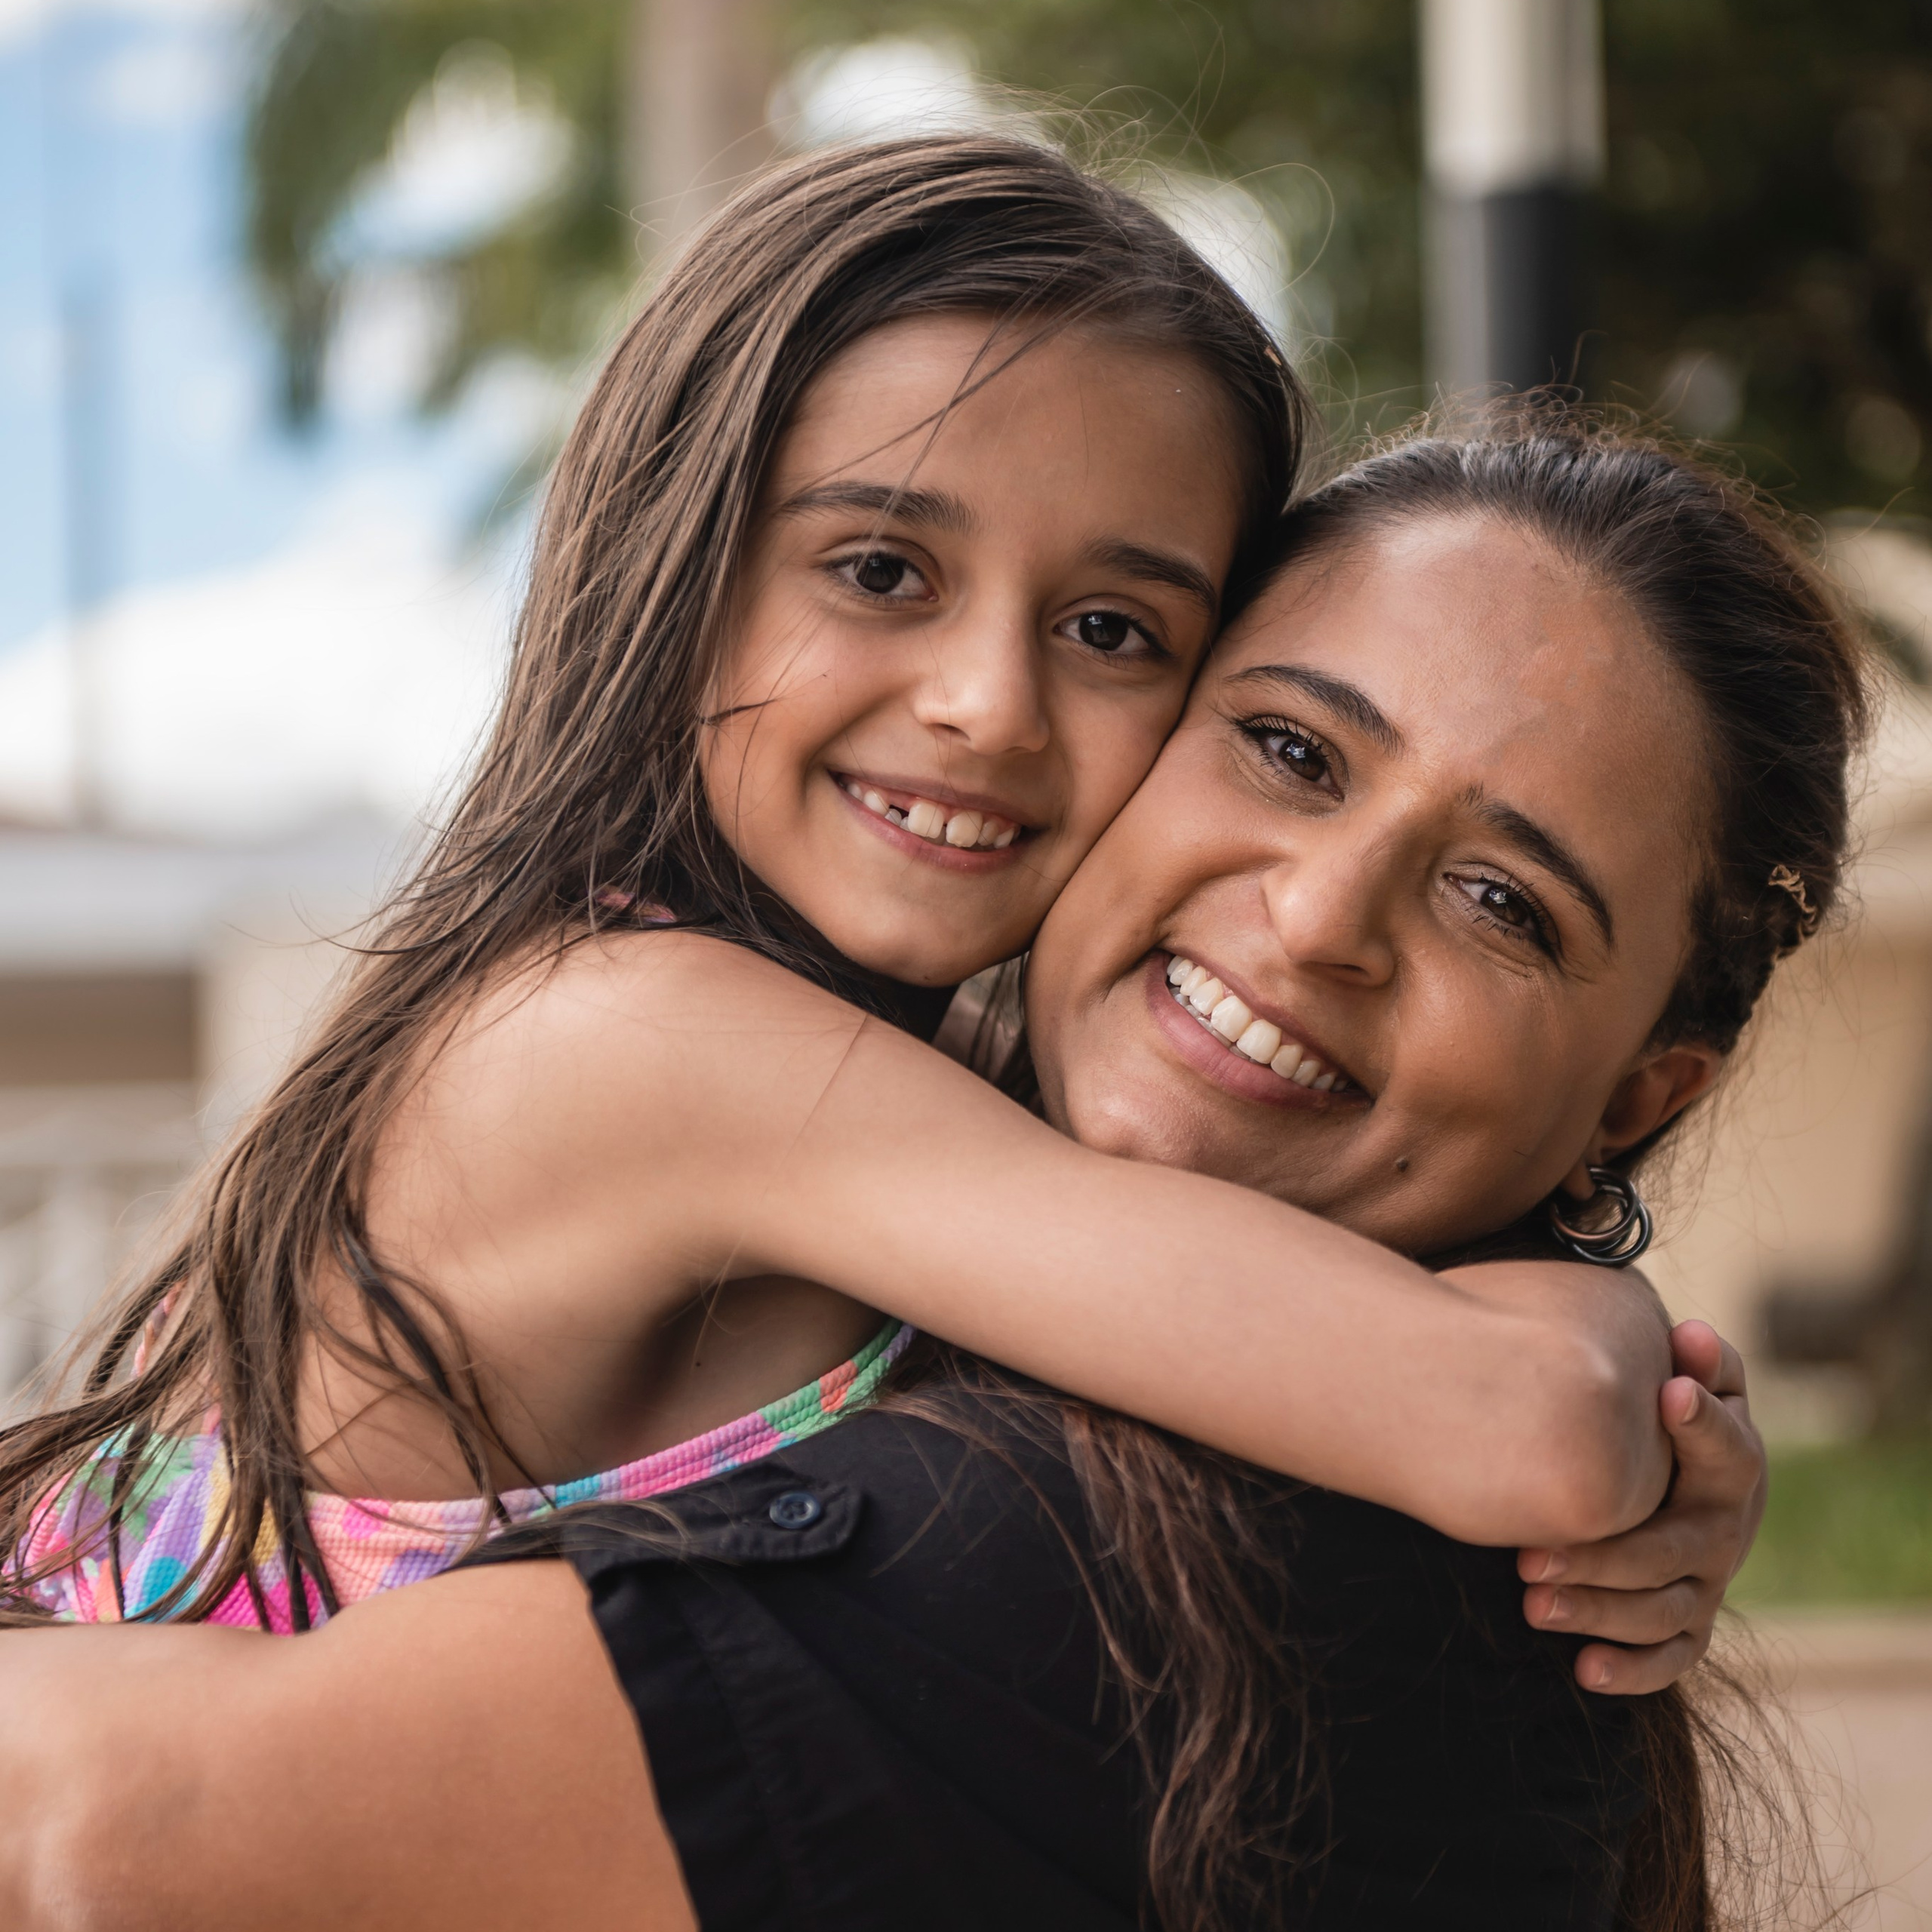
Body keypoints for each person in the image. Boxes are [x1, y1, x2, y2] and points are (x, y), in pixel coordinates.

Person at [0, 411, 1857, 1932]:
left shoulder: (1127, 1565)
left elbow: (100, 1824)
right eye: (1287, 749)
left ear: (1637, 1096)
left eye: (1498, 902)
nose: (1314, 919)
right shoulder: (698, 1058)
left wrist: (1600, 1370)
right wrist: (1602, 1346)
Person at [7, 140, 1701, 1648]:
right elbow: (1516, 1421)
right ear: (671, 572)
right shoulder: (645, 1041)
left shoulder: (899, 1071)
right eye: (880, 570)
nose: (986, 703)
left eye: (1112, 630)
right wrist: (1641, 1370)